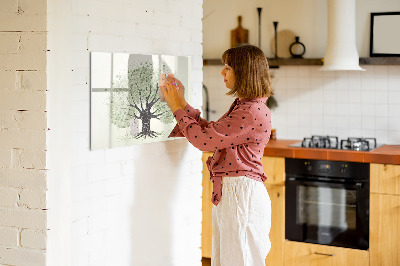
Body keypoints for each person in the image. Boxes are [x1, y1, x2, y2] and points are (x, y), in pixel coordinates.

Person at [161, 44, 273, 266]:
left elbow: (204, 141)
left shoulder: (250, 111)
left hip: (241, 195)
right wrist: (182, 103)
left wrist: (176, 107)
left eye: (228, 67)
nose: (222, 72)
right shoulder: (246, 106)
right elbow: (212, 133)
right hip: (236, 193)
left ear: (244, 72)